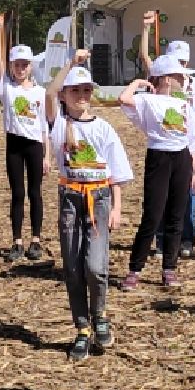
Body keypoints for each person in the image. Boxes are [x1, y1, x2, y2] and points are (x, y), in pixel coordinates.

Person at [45, 51, 131, 360]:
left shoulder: (103, 128)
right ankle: (82, 327)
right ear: (65, 95)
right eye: (75, 90)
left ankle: (100, 315)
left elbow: (116, 172)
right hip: (70, 197)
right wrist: (71, 64)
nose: (81, 95)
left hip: (99, 198)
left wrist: (117, 207)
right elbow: (48, 93)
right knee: (72, 266)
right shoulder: (59, 125)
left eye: (86, 90)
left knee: (95, 265)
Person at [117, 46, 195, 289]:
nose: (183, 80)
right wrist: (139, 82)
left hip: (181, 159)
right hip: (159, 158)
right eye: (179, 76)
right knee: (153, 215)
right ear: (166, 79)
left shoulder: (184, 105)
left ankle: (169, 268)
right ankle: (135, 269)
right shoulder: (148, 100)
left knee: (177, 215)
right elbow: (123, 99)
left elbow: (192, 140)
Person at [137, 30, 195, 256]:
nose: (179, 67)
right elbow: (145, 58)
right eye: (175, 62)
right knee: (162, 194)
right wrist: (145, 29)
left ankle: (187, 239)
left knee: (189, 192)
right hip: (165, 144)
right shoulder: (161, 82)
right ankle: (162, 240)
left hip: (189, 143)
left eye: (183, 62)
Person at [0, 14, 48, 262]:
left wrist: (47, 156)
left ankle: (36, 239)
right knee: (18, 193)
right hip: (14, 143)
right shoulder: (7, 87)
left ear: (31, 66)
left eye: (25, 65)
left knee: (35, 192)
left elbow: (44, 126)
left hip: (34, 145)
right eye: (17, 65)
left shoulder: (40, 92)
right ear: (12, 66)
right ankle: (17, 241)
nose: (21, 69)